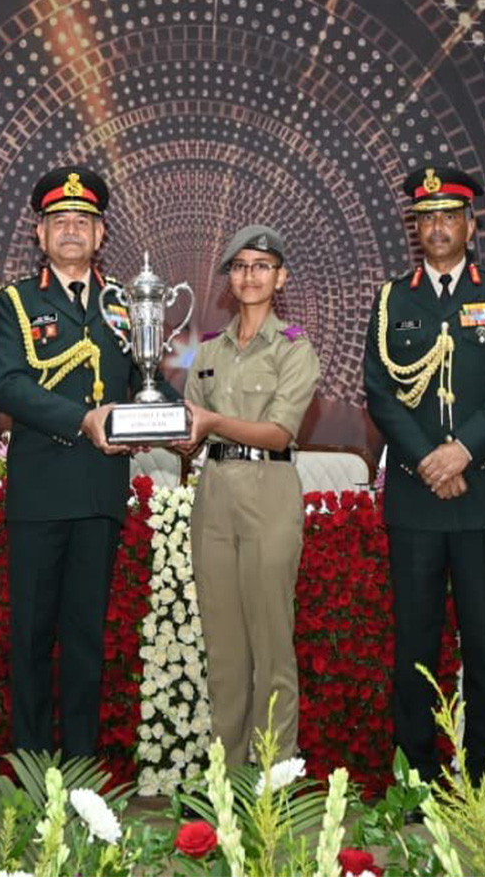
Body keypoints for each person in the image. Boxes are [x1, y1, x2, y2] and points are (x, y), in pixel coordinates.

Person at [363, 164, 485, 785]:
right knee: (416, 646)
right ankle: (416, 775)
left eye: (448, 217)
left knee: (484, 644)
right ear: (416, 229)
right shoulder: (391, 299)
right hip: (416, 495)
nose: (437, 228)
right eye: (426, 218)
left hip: (482, 494)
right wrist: (429, 461)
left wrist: (462, 454)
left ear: (471, 225)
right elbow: (380, 392)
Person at [0, 166, 153, 757]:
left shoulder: (126, 304)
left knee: (86, 637)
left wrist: (149, 415)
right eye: (60, 222)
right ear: (40, 233)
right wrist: (81, 419)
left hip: (98, 493)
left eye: (82, 222)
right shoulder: (15, 301)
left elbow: (143, 380)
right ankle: (32, 769)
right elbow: (9, 386)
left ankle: (80, 774)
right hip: (39, 492)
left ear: (101, 232)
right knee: (31, 636)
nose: (71, 231)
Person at [176, 226, 320, 761]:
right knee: (226, 651)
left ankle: (273, 781)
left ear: (280, 277)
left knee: (270, 646)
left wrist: (210, 420)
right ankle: (226, 777)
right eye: (239, 266)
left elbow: (280, 433)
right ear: (229, 280)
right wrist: (163, 426)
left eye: (262, 265)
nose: (250, 275)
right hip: (213, 497)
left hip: (269, 495)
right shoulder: (208, 352)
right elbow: (188, 431)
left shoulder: (293, 348)